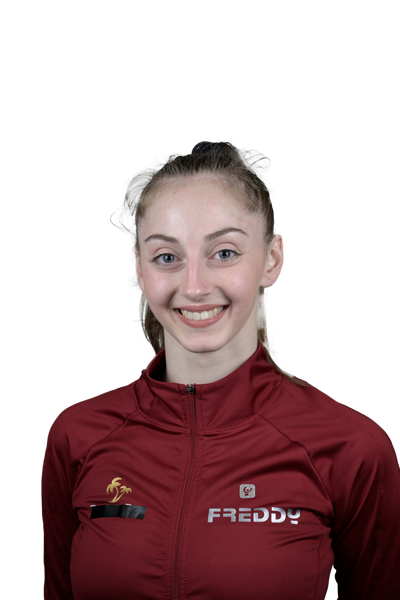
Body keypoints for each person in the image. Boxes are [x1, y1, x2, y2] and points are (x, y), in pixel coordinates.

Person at [42, 139, 400, 599]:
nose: (194, 287)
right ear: (140, 268)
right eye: (167, 257)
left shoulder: (351, 447)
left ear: (271, 260)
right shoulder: (77, 436)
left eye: (224, 253)